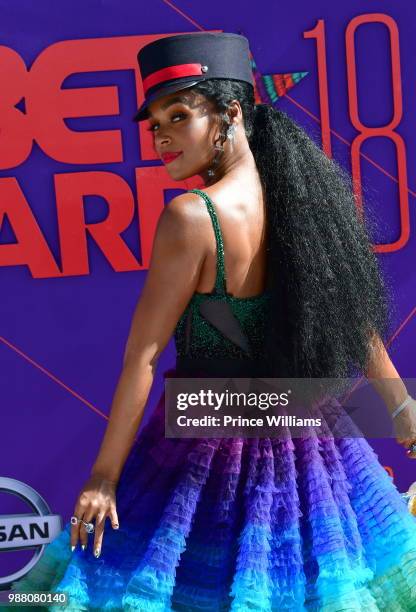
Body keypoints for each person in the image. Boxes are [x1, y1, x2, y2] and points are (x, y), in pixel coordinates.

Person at [9, 32, 416, 611]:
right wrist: (400, 405)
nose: (162, 137)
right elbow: (352, 320)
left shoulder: (190, 218)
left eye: (178, 115)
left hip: (206, 456)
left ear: (231, 112)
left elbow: (143, 358)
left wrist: (103, 477)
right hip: (314, 449)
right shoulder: (309, 200)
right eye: (153, 124)